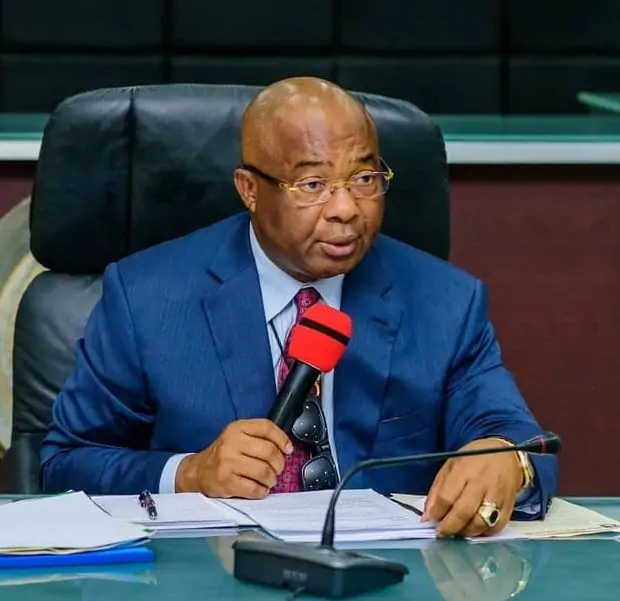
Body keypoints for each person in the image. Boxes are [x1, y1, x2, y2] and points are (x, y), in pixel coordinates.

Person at [40, 77, 558, 538]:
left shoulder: (444, 301)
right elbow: (66, 463)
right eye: (312, 185)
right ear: (249, 190)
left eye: (364, 179)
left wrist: (507, 462)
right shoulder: (147, 298)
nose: (346, 209)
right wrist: (190, 473)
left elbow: (517, 435)